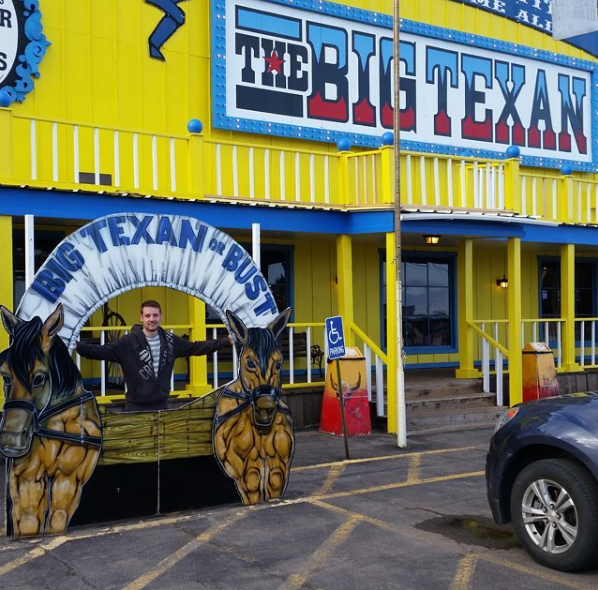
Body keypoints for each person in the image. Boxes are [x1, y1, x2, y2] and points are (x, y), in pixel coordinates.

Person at [76, 300, 232, 411]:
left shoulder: (171, 341)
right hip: (134, 409)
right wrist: (77, 346)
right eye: (148, 316)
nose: (152, 319)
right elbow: (101, 352)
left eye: (155, 315)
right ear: (141, 318)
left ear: (161, 316)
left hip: (162, 407)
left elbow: (197, 347)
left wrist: (226, 341)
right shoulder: (128, 342)